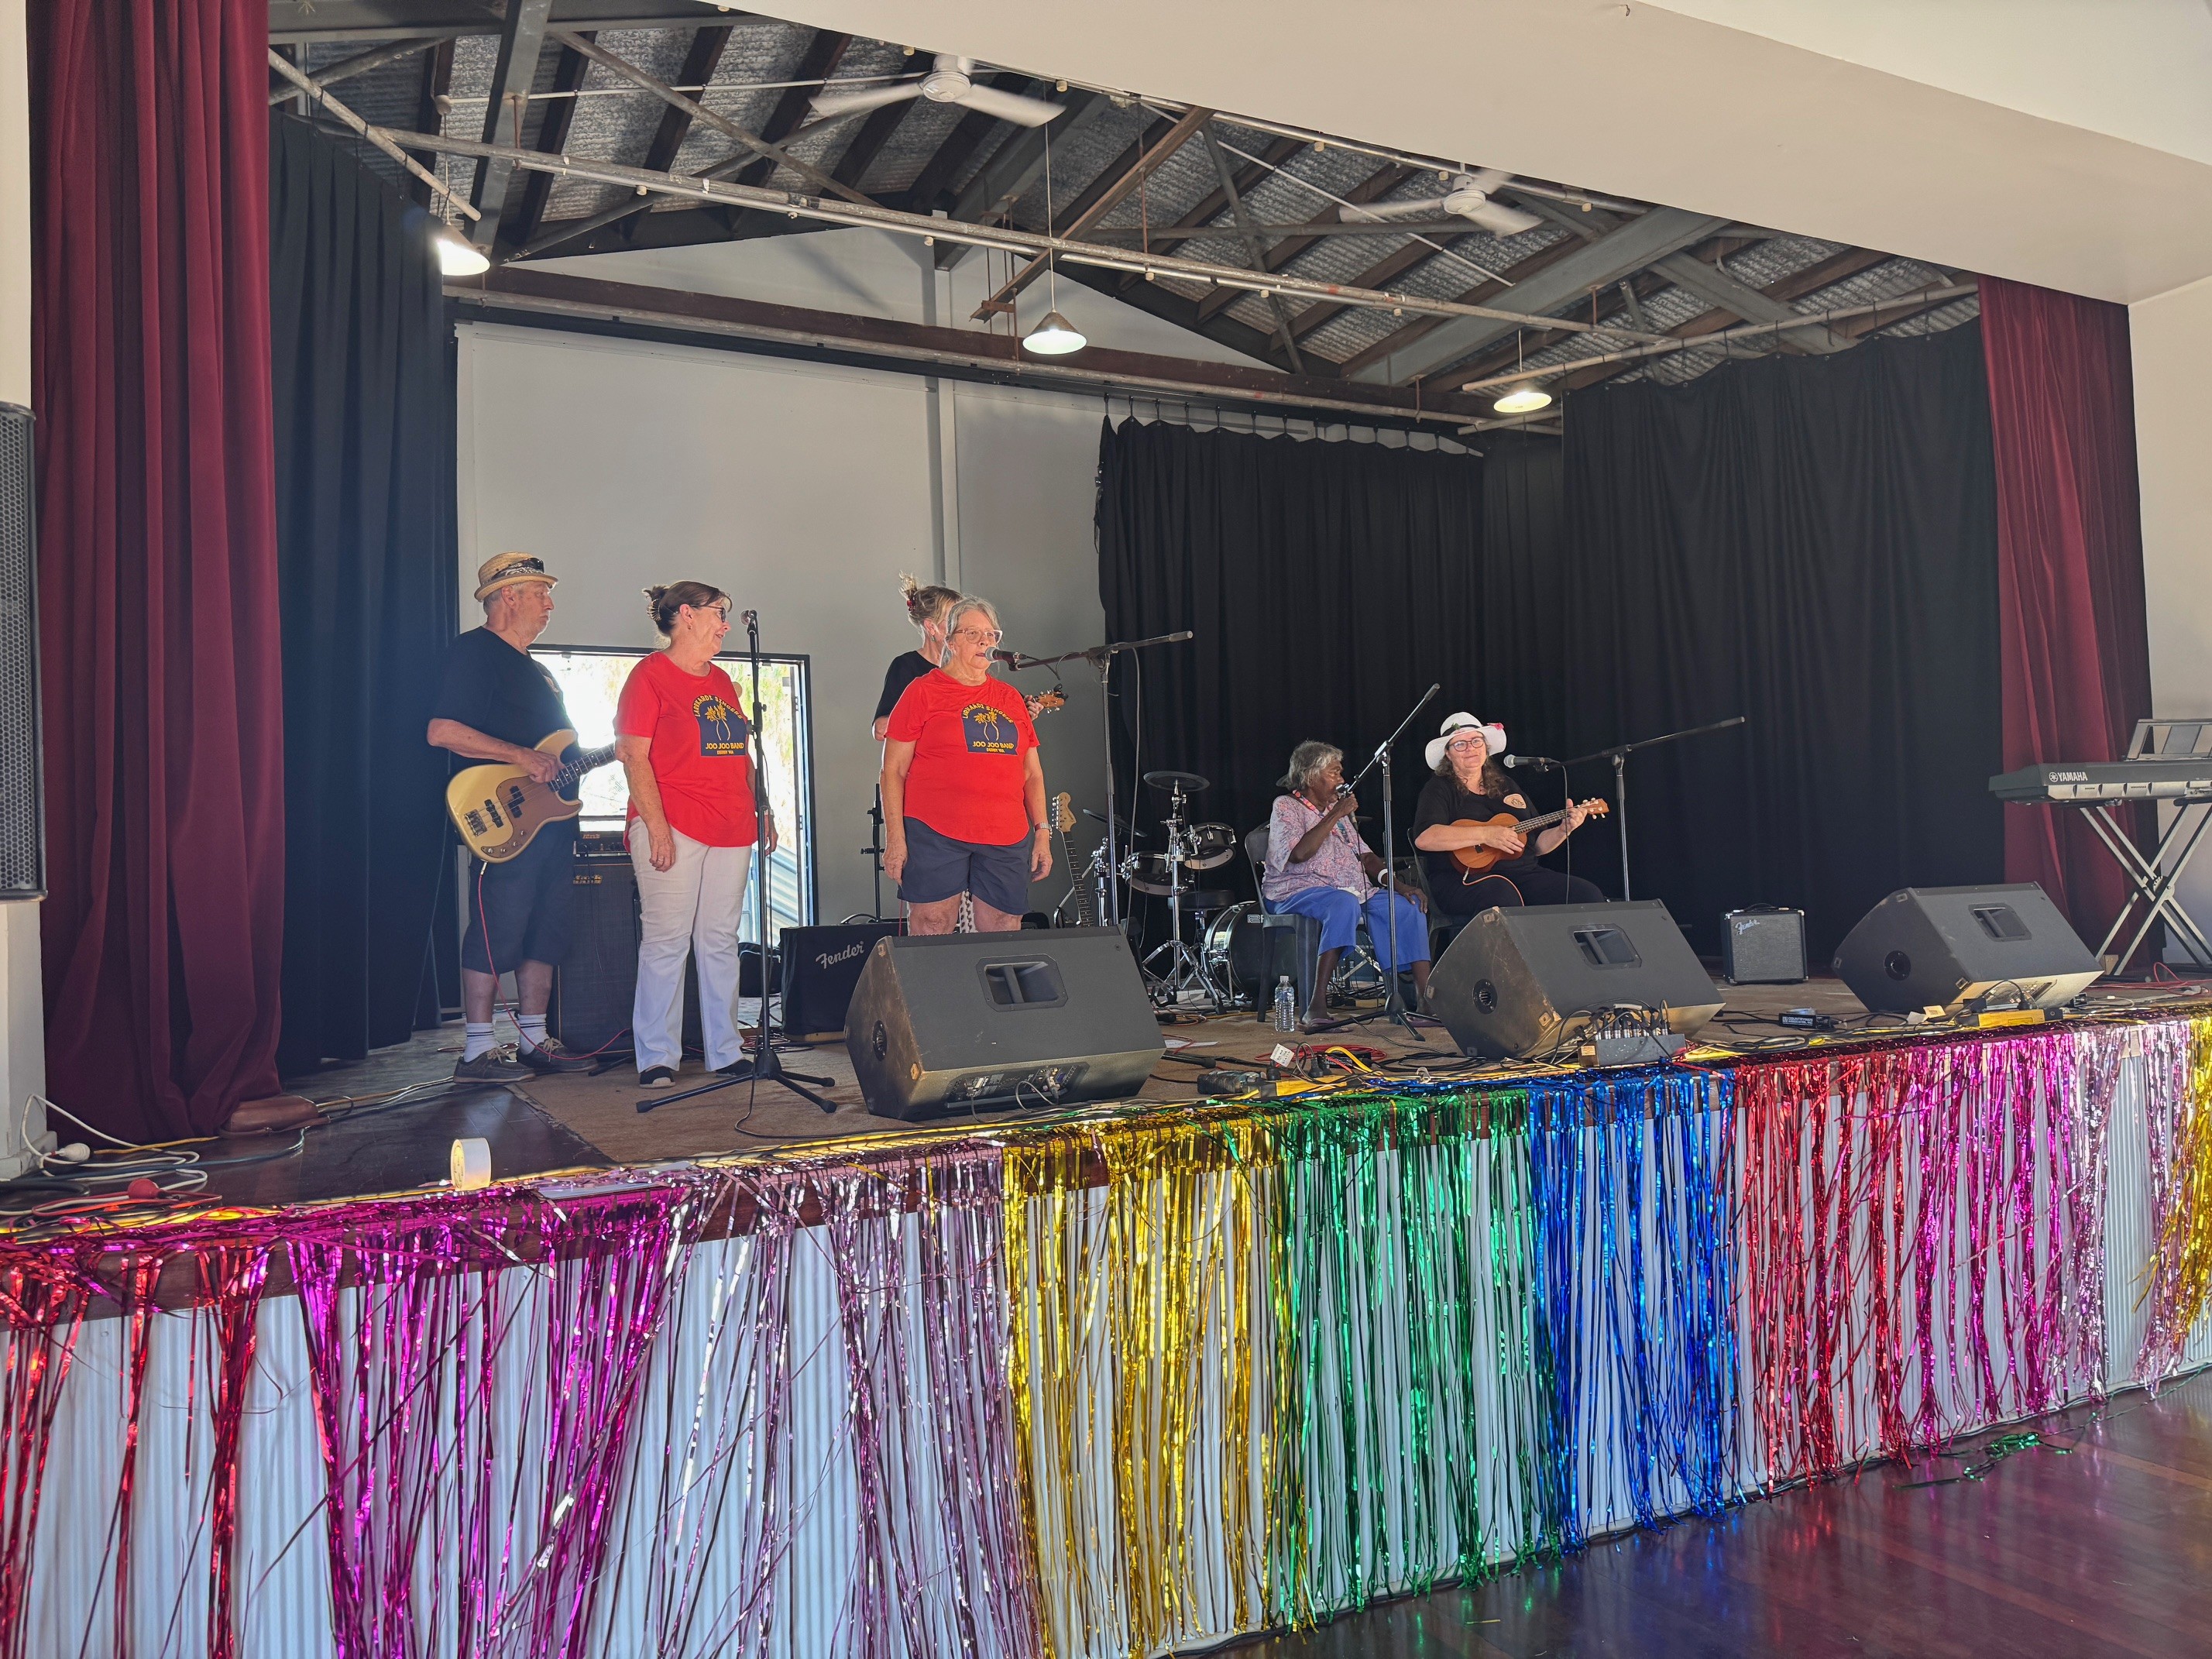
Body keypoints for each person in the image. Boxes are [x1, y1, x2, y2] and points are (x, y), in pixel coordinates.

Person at [427, 551, 596, 1080]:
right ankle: (477, 1050)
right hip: (504, 819)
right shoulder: (474, 652)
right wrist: (522, 756)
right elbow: (443, 731)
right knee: (498, 925)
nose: (549, 606)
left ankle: (534, 1040)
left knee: (547, 928)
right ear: (508, 597)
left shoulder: (538, 670)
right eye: (540, 594)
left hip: (552, 822)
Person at [614, 582, 779, 1088]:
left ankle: (725, 1051)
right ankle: (657, 1057)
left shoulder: (723, 680)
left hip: (731, 824)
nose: (725, 625)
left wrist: (763, 806)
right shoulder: (649, 675)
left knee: (720, 939)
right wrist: (656, 829)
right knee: (667, 940)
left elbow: (741, 753)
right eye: (718, 614)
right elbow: (633, 755)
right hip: (673, 823)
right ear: (686, 615)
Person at [881, 596, 1052, 933]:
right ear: (950, 641)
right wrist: (896, 839)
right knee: (933, 923)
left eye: (991, 634)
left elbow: (1032, 773)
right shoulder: (922, 691)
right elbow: (893, 771)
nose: (984, 642)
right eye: (972, 633)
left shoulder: (1010, 698)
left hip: (1005, 833)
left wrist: (1043, 833)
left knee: (1004, 925)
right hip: (934, 832)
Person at [1262, 741, 1431, 1026]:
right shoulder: (1287, 806)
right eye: (1334, 772)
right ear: (1310, 776)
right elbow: (1300, 854)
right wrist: (1335, 814)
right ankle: (1316, 1006)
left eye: (1341, 772)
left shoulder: (1336, 813)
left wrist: (1399, 886)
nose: (1341, 779)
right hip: (1295, 890)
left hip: (1350, 890)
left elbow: (1367, 857)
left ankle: (1423, 1001)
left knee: (1408, 906)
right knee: (1343, 904)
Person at [1412, 711, 1602, 920]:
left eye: (1476, 741)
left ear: (1485, 748)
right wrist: (1487, 835)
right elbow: (1425, 838)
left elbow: (1537, 846)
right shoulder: (1439, 788)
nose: (1470, 749)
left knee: (1586, 894)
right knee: (1501, 894)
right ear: (1448, 754)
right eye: (1460, 744)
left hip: (1522, 875)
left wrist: (1563, 830)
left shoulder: (1506, 786)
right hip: (1463, 879)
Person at [871, 575, 961, 741]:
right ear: (931, 627)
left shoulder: (965, 667)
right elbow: (881, 729)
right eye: (953, 620)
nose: (960, 627)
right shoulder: (906, 666)